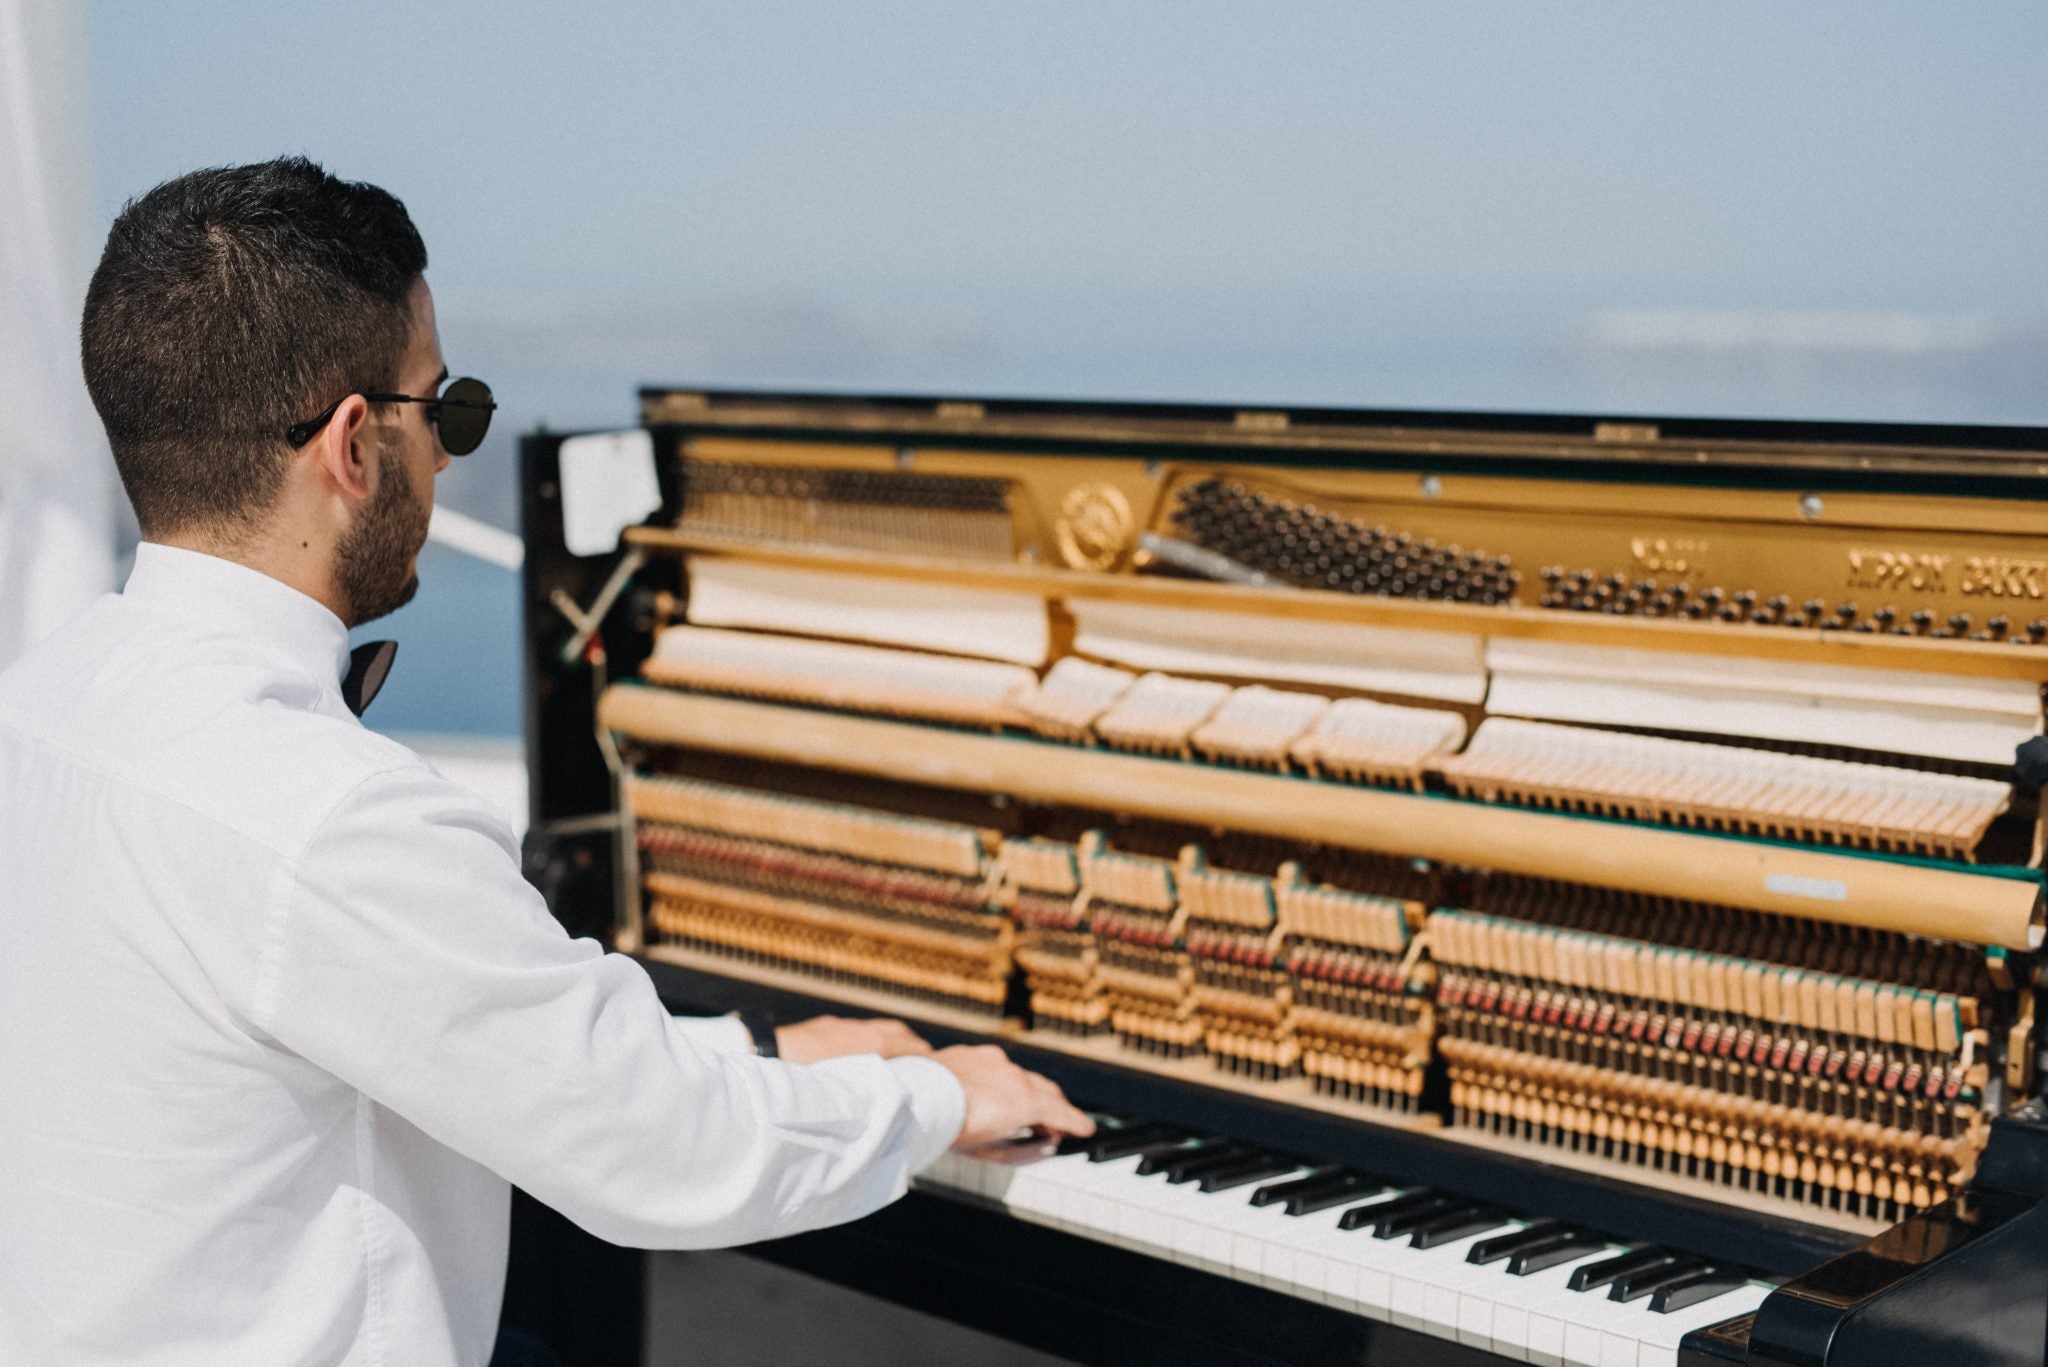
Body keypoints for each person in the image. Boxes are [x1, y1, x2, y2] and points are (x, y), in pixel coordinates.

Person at [0, 157, 1091, 1367]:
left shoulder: (39, 708)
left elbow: (448, 1033)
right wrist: (939, 1100)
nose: (455, 456)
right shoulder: (331, 818)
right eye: (446, 408)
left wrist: (763, 1048)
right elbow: (666, 1155)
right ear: (355, 445)